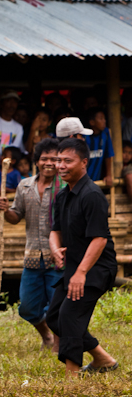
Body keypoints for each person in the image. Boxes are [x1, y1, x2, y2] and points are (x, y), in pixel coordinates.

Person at [46, 138, 119, 377]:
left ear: (84, 163)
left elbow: (99, 239)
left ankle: (71, 378)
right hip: (76, 265)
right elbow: (55, 230)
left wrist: (80, 274)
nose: (61, 165)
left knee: (70, 315)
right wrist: (56, 248)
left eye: (68, 161)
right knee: (55, 317)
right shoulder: (62, 196)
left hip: (97, 267)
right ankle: (103, 359)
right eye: (58, 160)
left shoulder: (92, 195)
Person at [0, 138, 63, 353]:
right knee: (27, 307)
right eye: (45, 159)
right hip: (32, 256)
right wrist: (5, 210)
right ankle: (46, 335)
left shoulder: (64, 187)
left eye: (54, 159)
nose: (49, 163)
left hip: (58, 257)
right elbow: (16, 217)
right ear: (37, 161)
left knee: (57, 306)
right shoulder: (25, 186)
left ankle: (59, 345)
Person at [82, 107, 115, 185]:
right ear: (92, 122)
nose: (104, 121)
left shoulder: (105, 134)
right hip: (83, 179)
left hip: (97, 180)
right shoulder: (84, 137)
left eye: (104, 118)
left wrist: (109, 175)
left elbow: (108, 155)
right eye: (101, 119)